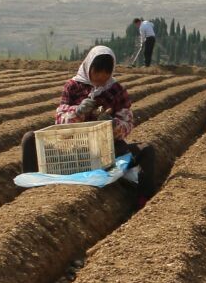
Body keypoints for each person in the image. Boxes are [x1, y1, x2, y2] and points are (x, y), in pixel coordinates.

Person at [21, 45, 158, 193]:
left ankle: (142, 197)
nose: (101, 77)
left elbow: (127, 123)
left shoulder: (117, 90)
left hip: (105, 150)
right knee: (30, 139)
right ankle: (31, 191)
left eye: (106, 72)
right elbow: (59, 119)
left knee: (147, 150)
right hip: (72, 147)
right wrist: (77, 112)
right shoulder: (73, 86)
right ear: (88, 67)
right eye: (97, 71)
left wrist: (113, 124)